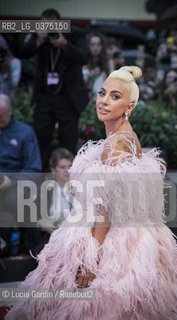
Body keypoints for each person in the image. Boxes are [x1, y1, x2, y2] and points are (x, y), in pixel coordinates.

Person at [5, 66, 177, 320]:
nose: (104, 101)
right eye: (102, 93)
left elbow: (106, 206)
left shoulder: (116, 144)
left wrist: (90, 257)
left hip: (114, 240)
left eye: (115, 96)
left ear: (130, 107)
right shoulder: (123, 137)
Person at [21, 8, 89, 171]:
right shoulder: (38, 35)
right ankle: (41, 175)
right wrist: (38, 39)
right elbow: (22, 53)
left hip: (68, 97)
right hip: (45, 97)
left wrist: (65, 45)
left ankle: (68, 179)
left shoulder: (74, 34)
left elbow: (84, 57)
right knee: (40, 138)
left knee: (68, 141)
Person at [0, 93, 41, 256]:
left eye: (1, 116)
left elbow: (34, 169)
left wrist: (12, 180)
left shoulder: (25, 133)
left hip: (14, 185)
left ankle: (12, 250)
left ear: (11, 111)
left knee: (16, 201)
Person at [29, 148, 74, 255]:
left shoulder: (80, 188)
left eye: (70, 167)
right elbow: (29, 217)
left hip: (73, 238)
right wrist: (41, 224)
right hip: (51, 237)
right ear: (53, 169)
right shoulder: (43, 189)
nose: (67, 171)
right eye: (62, 167)